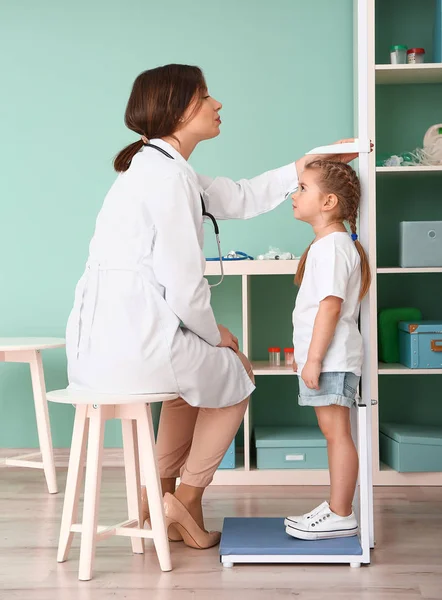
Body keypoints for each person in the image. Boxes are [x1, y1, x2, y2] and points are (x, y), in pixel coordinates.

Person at [65, 63, 357, 549]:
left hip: (103, 346)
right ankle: (188, 498)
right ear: (178, 109)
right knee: (237, 373)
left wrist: (300, 167)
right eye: (205, 97)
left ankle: (156, 498)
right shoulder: (166, 178)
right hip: (135, 343)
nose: (217, 104)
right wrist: (212, 332)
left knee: (190, 388)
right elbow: (183, 284)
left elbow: (238, 197)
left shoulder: (159, 168)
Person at [284, 160, 371, 541]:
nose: (293, 194)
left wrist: (315, 358)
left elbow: (331, 307)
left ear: (328, 201)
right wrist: (303, 353)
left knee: (337, 433)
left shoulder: (334, 247)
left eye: (302, 188)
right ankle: (337, 507)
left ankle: (341, 512)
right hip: (326, 357)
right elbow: (315, 311)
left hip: (332, 359)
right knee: (332, 431)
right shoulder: (328, 245)